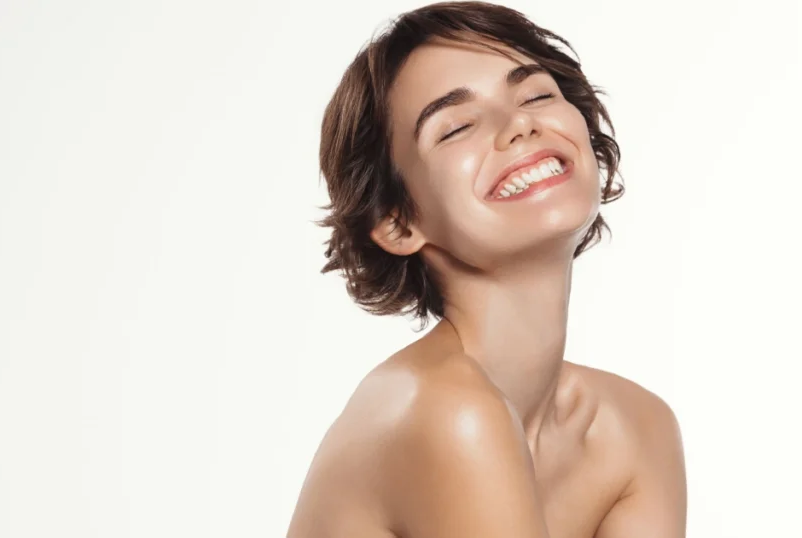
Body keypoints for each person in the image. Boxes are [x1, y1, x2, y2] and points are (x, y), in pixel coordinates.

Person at [285, 2, 687, 537]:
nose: (519, 123)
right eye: (456, 127)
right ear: (398, 221)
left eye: (537, 94)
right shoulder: (444, 411)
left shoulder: (636, 428)